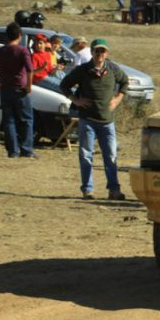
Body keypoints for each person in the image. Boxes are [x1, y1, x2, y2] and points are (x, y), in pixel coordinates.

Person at [59, 38, 129, 200]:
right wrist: (76, 101)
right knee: (86, 156)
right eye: (97, 50)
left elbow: (125, 83)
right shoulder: (83, 70)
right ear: (91, 52)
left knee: (110, 156)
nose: (100, 53)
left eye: (103, 51)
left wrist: (118, 99)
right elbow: (64, 85)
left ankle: (114, 190)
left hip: (107, 121)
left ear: (107, 53)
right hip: (87, 120)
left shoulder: (113, 69)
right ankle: (88, 189)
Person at [0, 22, 36, 159]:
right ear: (19, 36)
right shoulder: (22, 51)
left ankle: (12, 152)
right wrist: (29, 85)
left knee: (9, 120)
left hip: (5, 89)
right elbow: (29, 69)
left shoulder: (0, 51)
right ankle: (26, 150)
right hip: (19, 89)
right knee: (26, 119)